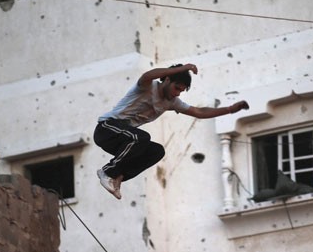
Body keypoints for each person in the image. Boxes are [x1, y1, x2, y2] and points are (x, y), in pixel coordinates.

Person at [93, 63, 249, 199]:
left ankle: (118, 176)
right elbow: (147, 75)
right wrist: (182, 68)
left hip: (124, 141)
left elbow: (199, 112)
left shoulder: (171, 102)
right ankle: (108, 172)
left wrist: (229, 109)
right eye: (176, 88)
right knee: (142, 137)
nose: (177, 93)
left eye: (181, 91)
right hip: (106, 129)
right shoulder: (146, 86)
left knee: (156, 151)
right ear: (167, 80)